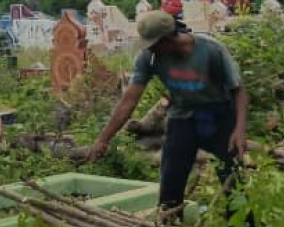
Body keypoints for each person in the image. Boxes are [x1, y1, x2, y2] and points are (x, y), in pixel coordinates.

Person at [89, 11, 249, 213]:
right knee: (171, 181)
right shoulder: (150, 58)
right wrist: (103, 139)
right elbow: (128, 101)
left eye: (153, 44)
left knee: (232, 179)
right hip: (182, 117)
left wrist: (240, 130)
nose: (149, 49)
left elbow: (239, 91)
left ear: (167, 39)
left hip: (219, 116)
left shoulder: (211, 50)